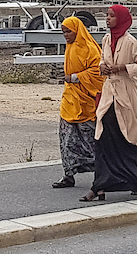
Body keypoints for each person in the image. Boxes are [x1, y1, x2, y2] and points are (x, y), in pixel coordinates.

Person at [80, 5, 137, 202]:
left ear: (121, 19)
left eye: (112, 16)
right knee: (102, 137)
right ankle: (99, 186)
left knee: (126, 136)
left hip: (126, 94)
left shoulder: (131, 42)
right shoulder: (106, 39)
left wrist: (122, 67)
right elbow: (102, 61)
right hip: (109, 94)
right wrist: (103, 67)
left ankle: (135, 176)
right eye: (107, 15)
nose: (107, 19)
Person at [53, 16, 104, 189]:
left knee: (90, 139)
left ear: (77, 31)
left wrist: (75, 77)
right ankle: (68, 174)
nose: (66, 35)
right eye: (64, 32)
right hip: (70, 99)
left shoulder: (89, 48)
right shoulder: (70, 47)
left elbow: (97, 72)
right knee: (66, 138)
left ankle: (102, 172)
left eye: (69, 31)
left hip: (85, 100)